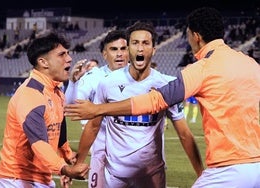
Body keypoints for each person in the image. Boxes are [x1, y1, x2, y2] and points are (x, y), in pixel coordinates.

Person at [64, 7, 260, 187]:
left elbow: (155, 100)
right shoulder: (250, 63)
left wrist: (98, 109)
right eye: (134, 43)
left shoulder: (201, 69)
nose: (140, 49)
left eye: (188, 35)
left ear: (196, 36)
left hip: (227, 167)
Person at [66, 21, 203, 187]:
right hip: (115, 175)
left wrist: (201, 173)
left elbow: (184, 134)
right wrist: (78, 164)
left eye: (145, 43)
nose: (139, 48)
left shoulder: (167, 85)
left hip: (151, 175)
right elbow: (93, 127)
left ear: (153, 50)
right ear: (128, 48)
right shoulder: (108, 83)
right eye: (135, 43)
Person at [0, 32, 89, 188]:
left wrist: (66, 156)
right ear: (43, 62)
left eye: (68, 53)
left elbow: (59, 130)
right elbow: (39, 143)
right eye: (62, 54)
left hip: (41, 178)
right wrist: (65, 169)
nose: (69, 58)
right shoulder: (30, 94)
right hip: (17, 179)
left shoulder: (56, 90)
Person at [65, 29, 129, 188]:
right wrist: (73, 84)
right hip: (102, 152)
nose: (119, 54)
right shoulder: (95, 77)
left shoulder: (142, 78)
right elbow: (71, 105)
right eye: (114, 49)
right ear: (104, 54)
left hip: (133, 153)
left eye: (123, 49)